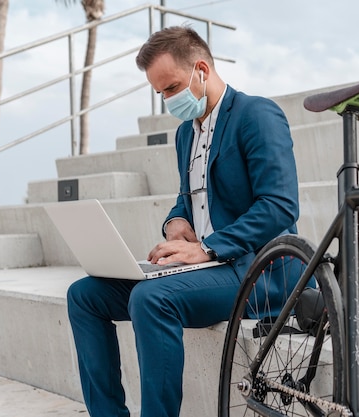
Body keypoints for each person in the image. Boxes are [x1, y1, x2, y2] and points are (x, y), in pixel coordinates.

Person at [66, 25, 300, 417]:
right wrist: (175, 224)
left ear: (201, 70)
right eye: (160, 93)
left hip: (259, 271)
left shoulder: (256, 115)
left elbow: (280, 205)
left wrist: (206, 248)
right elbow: (186, 199)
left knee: (151, 297)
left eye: (172, 87)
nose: (167, 100)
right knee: (83, 296)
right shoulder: (184, 136)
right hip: (207, 268)